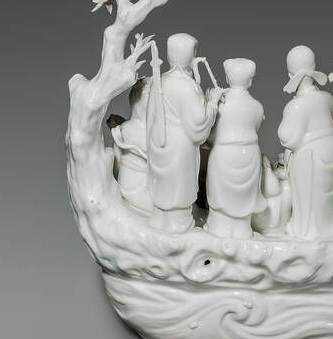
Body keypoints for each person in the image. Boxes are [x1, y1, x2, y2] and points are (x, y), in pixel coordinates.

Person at [146, 33, 220, 232]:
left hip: (159, 138)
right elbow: (198, 124)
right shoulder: (187, 87)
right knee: (178, 185)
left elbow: (151, 114)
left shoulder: (160, 81)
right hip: (180, 143)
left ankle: (160, 219)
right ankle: (178, 224)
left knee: (163, 183)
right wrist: (212, 104)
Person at [277, 45, 333, 239]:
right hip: (332, 151)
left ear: (290, 75)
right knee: (326, 197)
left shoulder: (296, 105)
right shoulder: (327, 98)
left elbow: (288, 138)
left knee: (308, 198)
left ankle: (307, 231)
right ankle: (328, 227)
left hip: (310, 156)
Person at [205, 58, 265, 238]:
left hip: (223, 152)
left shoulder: (220, 104)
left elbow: (210, 134)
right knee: (243, 197)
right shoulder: (257, 107)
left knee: (221, 194)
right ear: (250, 80)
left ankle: (218, 228)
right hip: (249, 153)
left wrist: (210, 104)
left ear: (227, 78)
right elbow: (256, 127)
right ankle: (242, 229)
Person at [111, 77, 151, 209]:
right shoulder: (131, 130)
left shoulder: (125, 128)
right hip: (135, 187)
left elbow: (117, 161)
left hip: (138, 183)